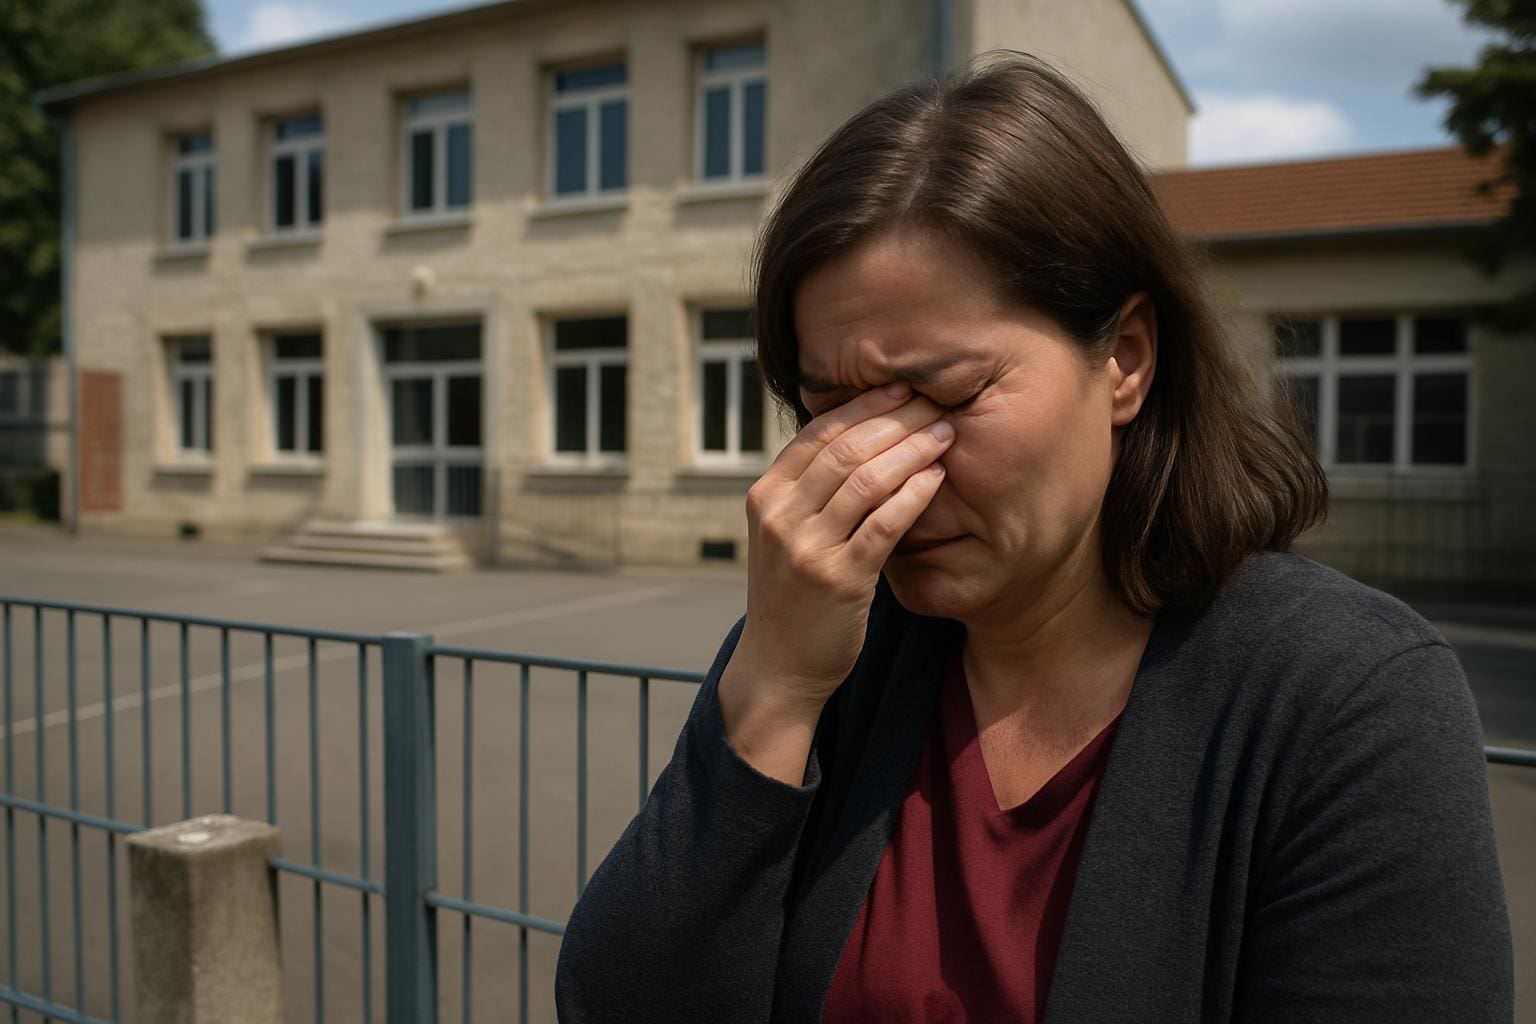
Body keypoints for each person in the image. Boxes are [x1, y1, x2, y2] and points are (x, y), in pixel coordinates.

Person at [554, 53, 1512, 1023]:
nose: (888, 469)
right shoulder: (825, 647)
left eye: (949, 394)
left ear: (1125, 359)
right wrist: (771, 691)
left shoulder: (1346, 701)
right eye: (831, 408)